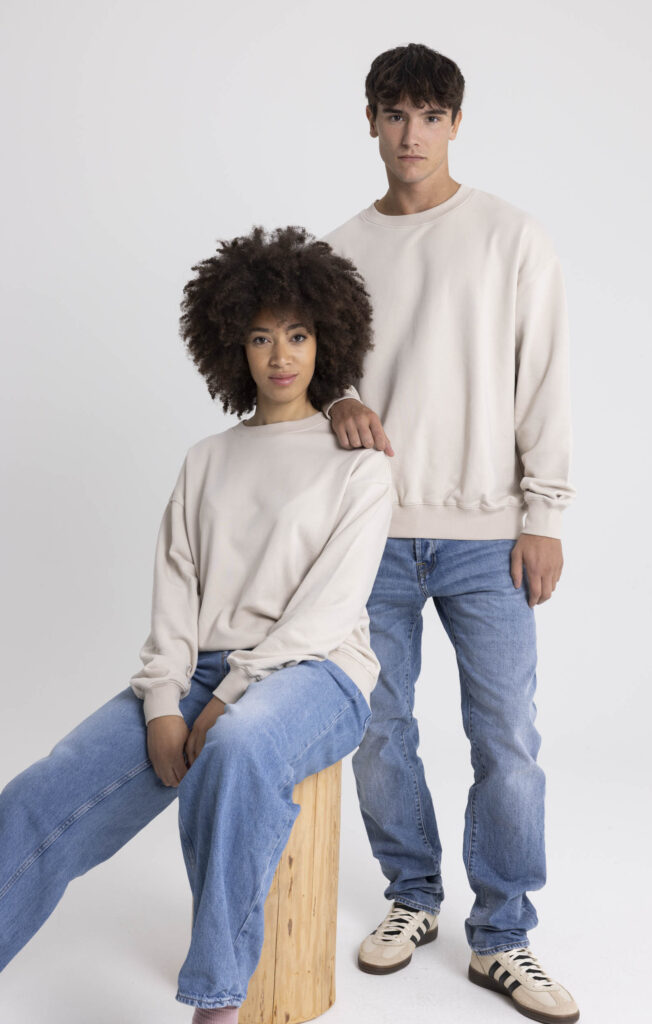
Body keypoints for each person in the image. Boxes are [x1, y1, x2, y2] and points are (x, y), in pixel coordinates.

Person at [0, 225, 393, 1022]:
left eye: (297, 334)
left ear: (327, 340)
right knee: (40, 794)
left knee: (239, 748)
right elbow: (176, 592)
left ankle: (216, 1002)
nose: (279, 355)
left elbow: (326, 609)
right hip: (200, 670)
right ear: (232, 346)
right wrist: (162, 702)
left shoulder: (359, 464)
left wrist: (227, 698)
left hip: (317, 672)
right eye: (260, 336)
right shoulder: (206, 459)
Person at [317, 43, 580, 1023]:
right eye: (394, 113)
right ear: (369, 120)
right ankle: (412, 894)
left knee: (505, 738)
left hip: (485, 536)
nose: (410, 134)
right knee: (375, 730)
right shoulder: (338, 251)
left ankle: (503, 934)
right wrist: (339, 398)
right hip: (370, 535)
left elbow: (541, 377)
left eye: (429, 115)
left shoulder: (510, 236)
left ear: (455, 124)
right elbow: (312, 373)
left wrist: (542, 514)